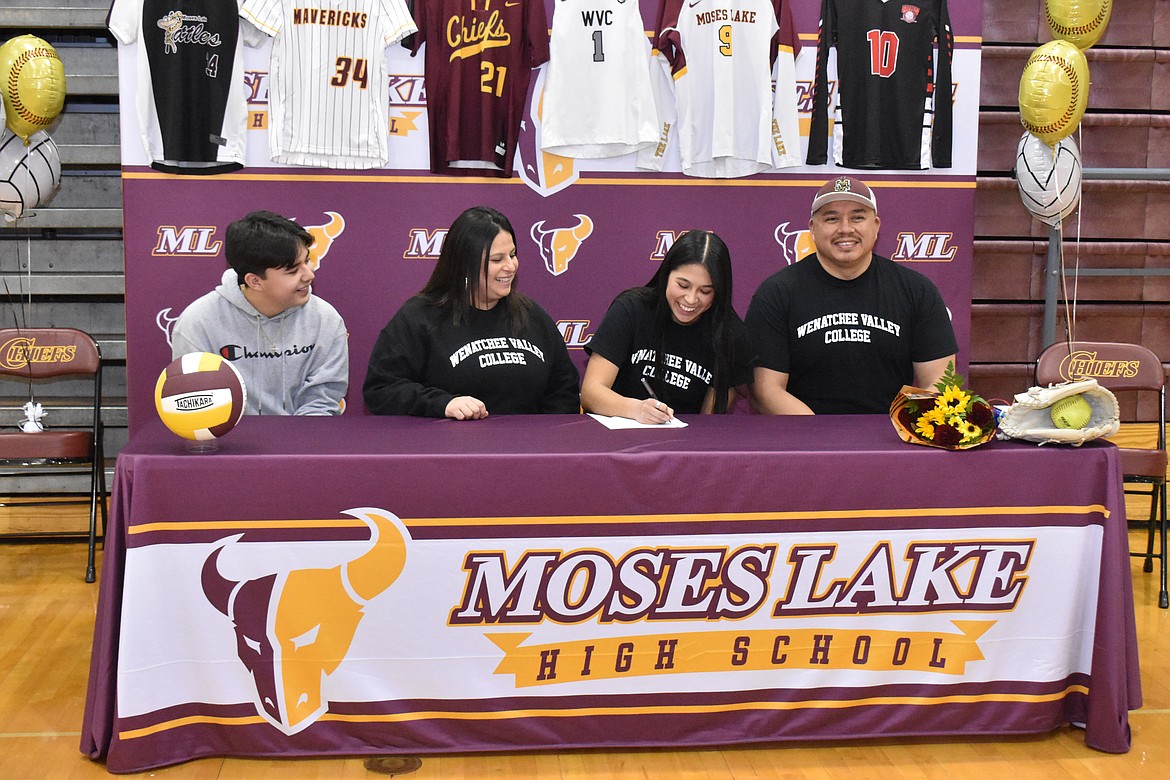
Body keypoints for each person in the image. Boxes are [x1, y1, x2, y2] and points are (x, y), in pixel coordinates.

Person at [745, 175, 957, 415]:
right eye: (832, 218)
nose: (845, 229)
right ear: (813, 229)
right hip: (803, 441)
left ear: (876, 226)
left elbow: (941, 382)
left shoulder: (917, 290)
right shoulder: (776, 294)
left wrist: (901, 430)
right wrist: (822, 443)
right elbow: (765, 392)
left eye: (857, 217)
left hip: (891, 438)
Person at [363, 206, 580, 418]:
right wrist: (442, 404)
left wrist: (543, 440)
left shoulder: (533, 315)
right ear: (465, 264)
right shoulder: (418, 317)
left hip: (526, 450)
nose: (510, 266)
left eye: (512, 255)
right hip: (447, 450)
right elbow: (381, 389)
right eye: (497, 259)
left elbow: (564, 390)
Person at [171, 210, 349, 415]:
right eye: (292, 271)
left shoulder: (326, 319)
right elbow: (197, 404)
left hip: (303, 440)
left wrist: (298, 444)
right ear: (254, 281)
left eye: (307, 261)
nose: (309, 275)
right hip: (230, 443)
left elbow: (322, 401)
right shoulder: (197, 322)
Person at [581, 230, 755, 423]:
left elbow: (710, 422)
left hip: (686, 444)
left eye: (705, 291)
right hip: (620, 439)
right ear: (666, 274)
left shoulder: (730, 334)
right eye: (682, 285)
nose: (690, 299)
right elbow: (591, 393)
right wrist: (636, 409)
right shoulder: (631, 309)